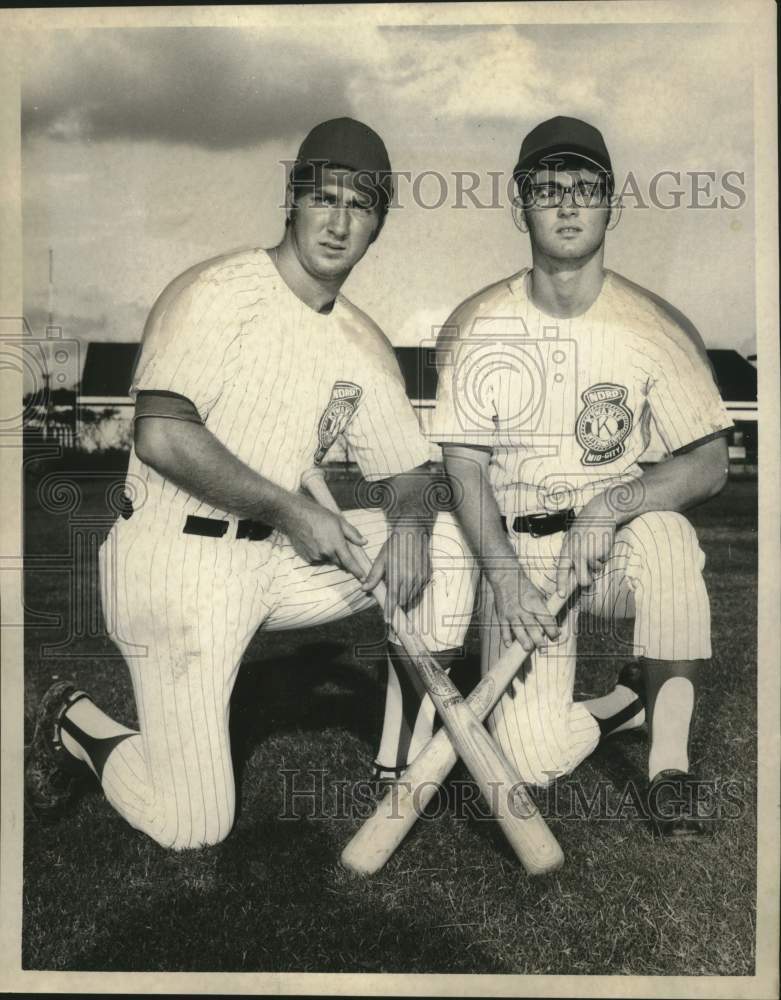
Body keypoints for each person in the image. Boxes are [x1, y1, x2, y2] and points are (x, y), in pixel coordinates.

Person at [25, 117, 477, 851]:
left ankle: (401, 766)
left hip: (273, 562)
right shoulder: (215, 293)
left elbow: (413, 474)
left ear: (378, 226)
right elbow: (163, 436)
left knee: (448, 544)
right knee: (194, 823)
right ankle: (73, 717)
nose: (337, 222)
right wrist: (291, 510)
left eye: (359, 206)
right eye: (322, 197)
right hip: (173, 561)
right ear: (291, 200)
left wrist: (413, 532)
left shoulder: (360, 342)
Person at [376, 116, 732, 837]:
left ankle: (669, 766)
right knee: (530, 760)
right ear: (519, 207)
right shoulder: (483, 323)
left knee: (667, 540)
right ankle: (617, 708)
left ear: (611, 205)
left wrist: (613, 504)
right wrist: (503, 574)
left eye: (584, 187)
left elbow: (709, 460)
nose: (567, 203)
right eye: (547, 189)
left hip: (608, 552)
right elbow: (463, 465)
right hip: (520, 557)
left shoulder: (650, 327)